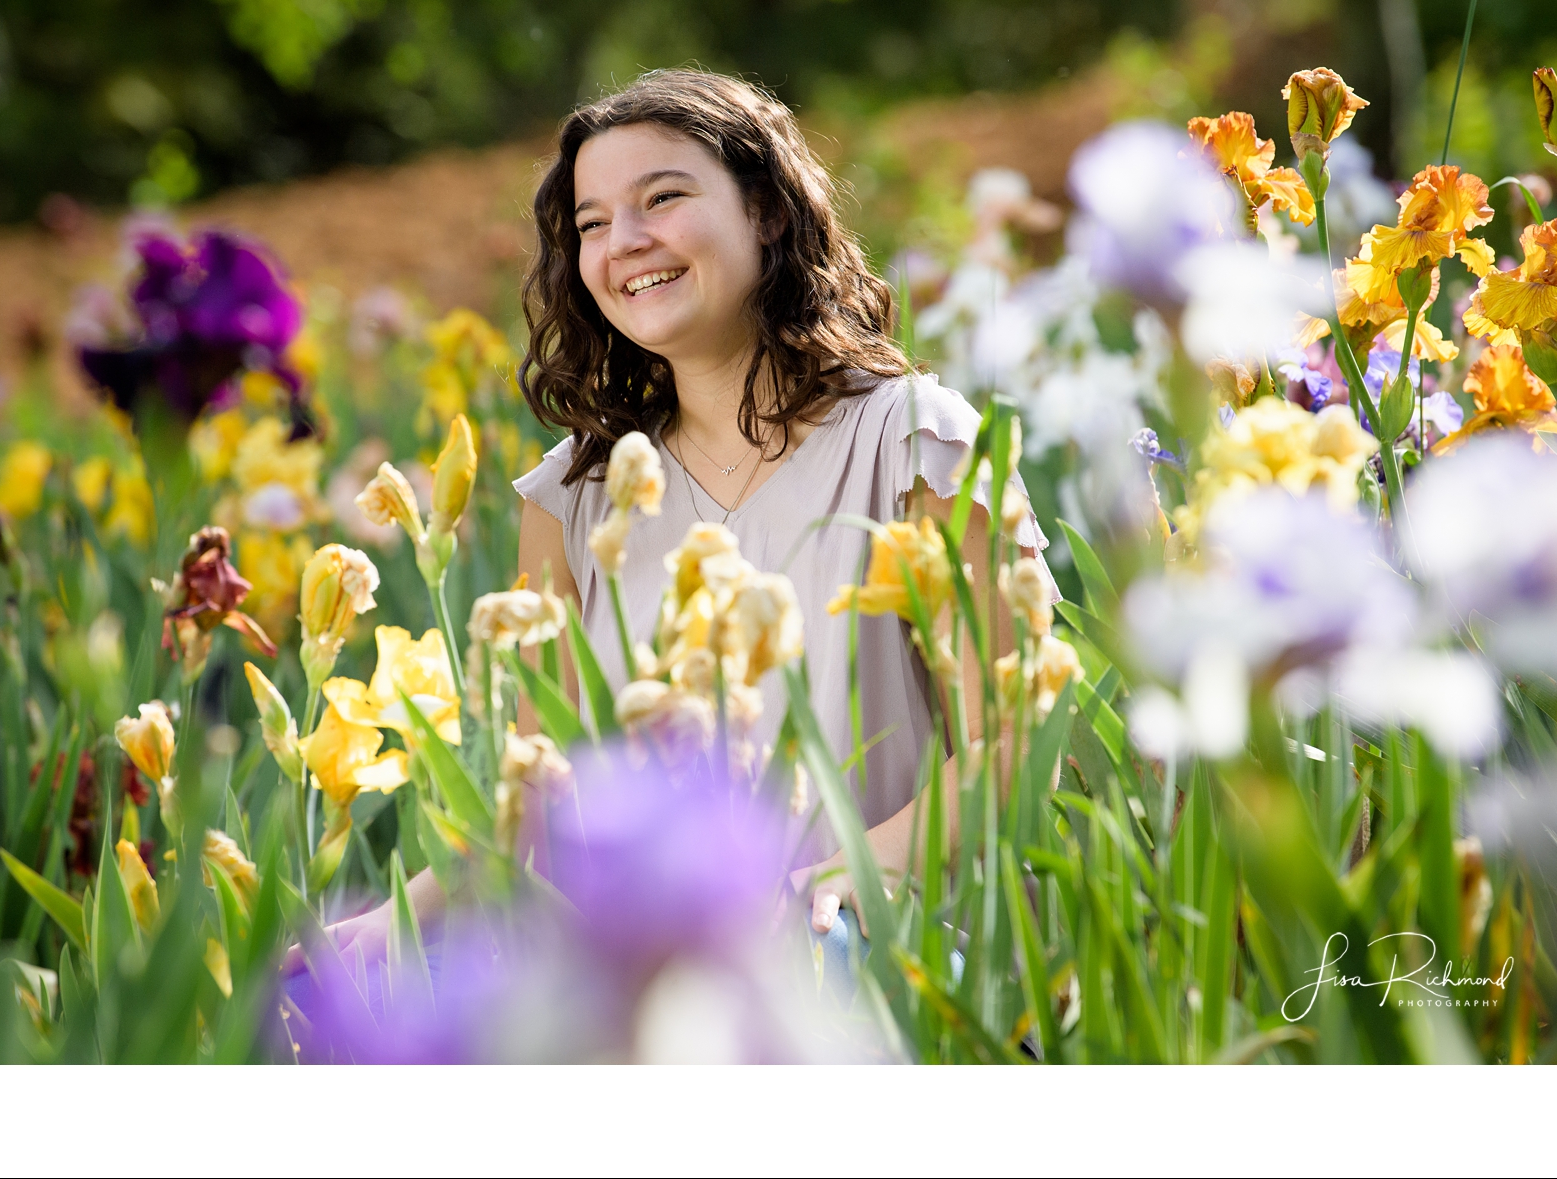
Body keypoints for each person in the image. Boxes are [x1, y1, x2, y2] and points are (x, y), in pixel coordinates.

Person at [316, 68, 1055, 968]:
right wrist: (391, 921)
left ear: (768, 213)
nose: (625, 242)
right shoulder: (575, 499)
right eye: (592, 224)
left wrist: (842, 881)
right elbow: (542, 801)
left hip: (895, 965)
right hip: (668, 988)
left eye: (661, 198)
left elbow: (1019, 736)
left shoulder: (915, 442)